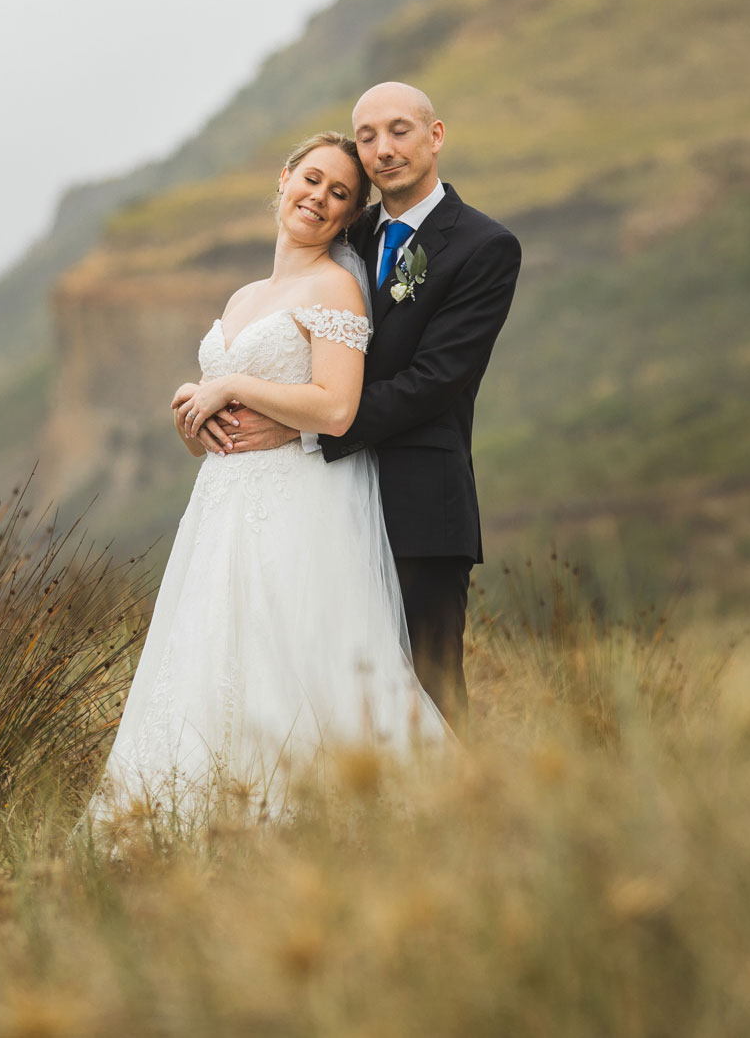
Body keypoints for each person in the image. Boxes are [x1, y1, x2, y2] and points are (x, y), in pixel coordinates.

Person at [89, 132, 448, 821]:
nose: (319, 196)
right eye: (311, 179)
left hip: (295, 502)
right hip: (221, 504)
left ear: (347, 217)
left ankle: (315, 815)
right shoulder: (244, 294)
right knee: (210, 654)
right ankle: (195, 815)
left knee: (289, 656)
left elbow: (338, 408)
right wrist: (195, 419)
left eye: (340, 193)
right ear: (284, 178)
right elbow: (228, 421)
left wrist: (234, 385)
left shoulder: (335, 288)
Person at [195, 83, 521, 725]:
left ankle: (469, 823)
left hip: (418, 506)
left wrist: (301, 426)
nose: (382, 148)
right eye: (367, 135)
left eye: (399, 130)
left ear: (436, 136)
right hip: (323, 508)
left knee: (426, 698)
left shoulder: (483, 247)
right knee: (324, 692)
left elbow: (435, 380)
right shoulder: (348, 228)